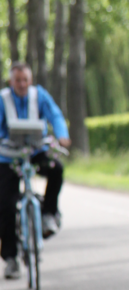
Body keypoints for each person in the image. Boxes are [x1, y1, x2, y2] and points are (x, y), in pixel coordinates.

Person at [0, 62, 71, 278]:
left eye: (25, 80)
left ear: (30, 81)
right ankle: (11, 259)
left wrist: (62, 135)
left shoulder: (39, 95)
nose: (22, 84)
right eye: (17, 80)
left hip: (36, 151)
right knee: (5, 206)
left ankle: (49, 213)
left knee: (56, 169)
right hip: (9, 156)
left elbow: (55, 115)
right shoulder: (3, 99)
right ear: (11, 81)